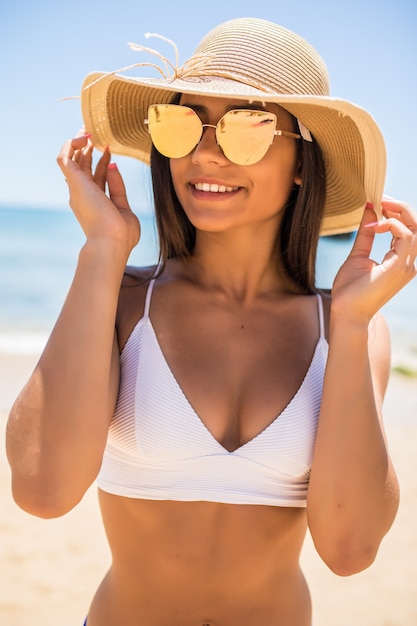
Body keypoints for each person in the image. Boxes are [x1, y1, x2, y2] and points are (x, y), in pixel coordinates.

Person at [5, 16, 417, 626]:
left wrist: (353, 325)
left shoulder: (349, 329)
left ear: (303, 162)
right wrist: (102, 250)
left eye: (246, 128)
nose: (203, 154)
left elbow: (350, 549)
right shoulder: (123, 302)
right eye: (182, 125)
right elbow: (42, 490)